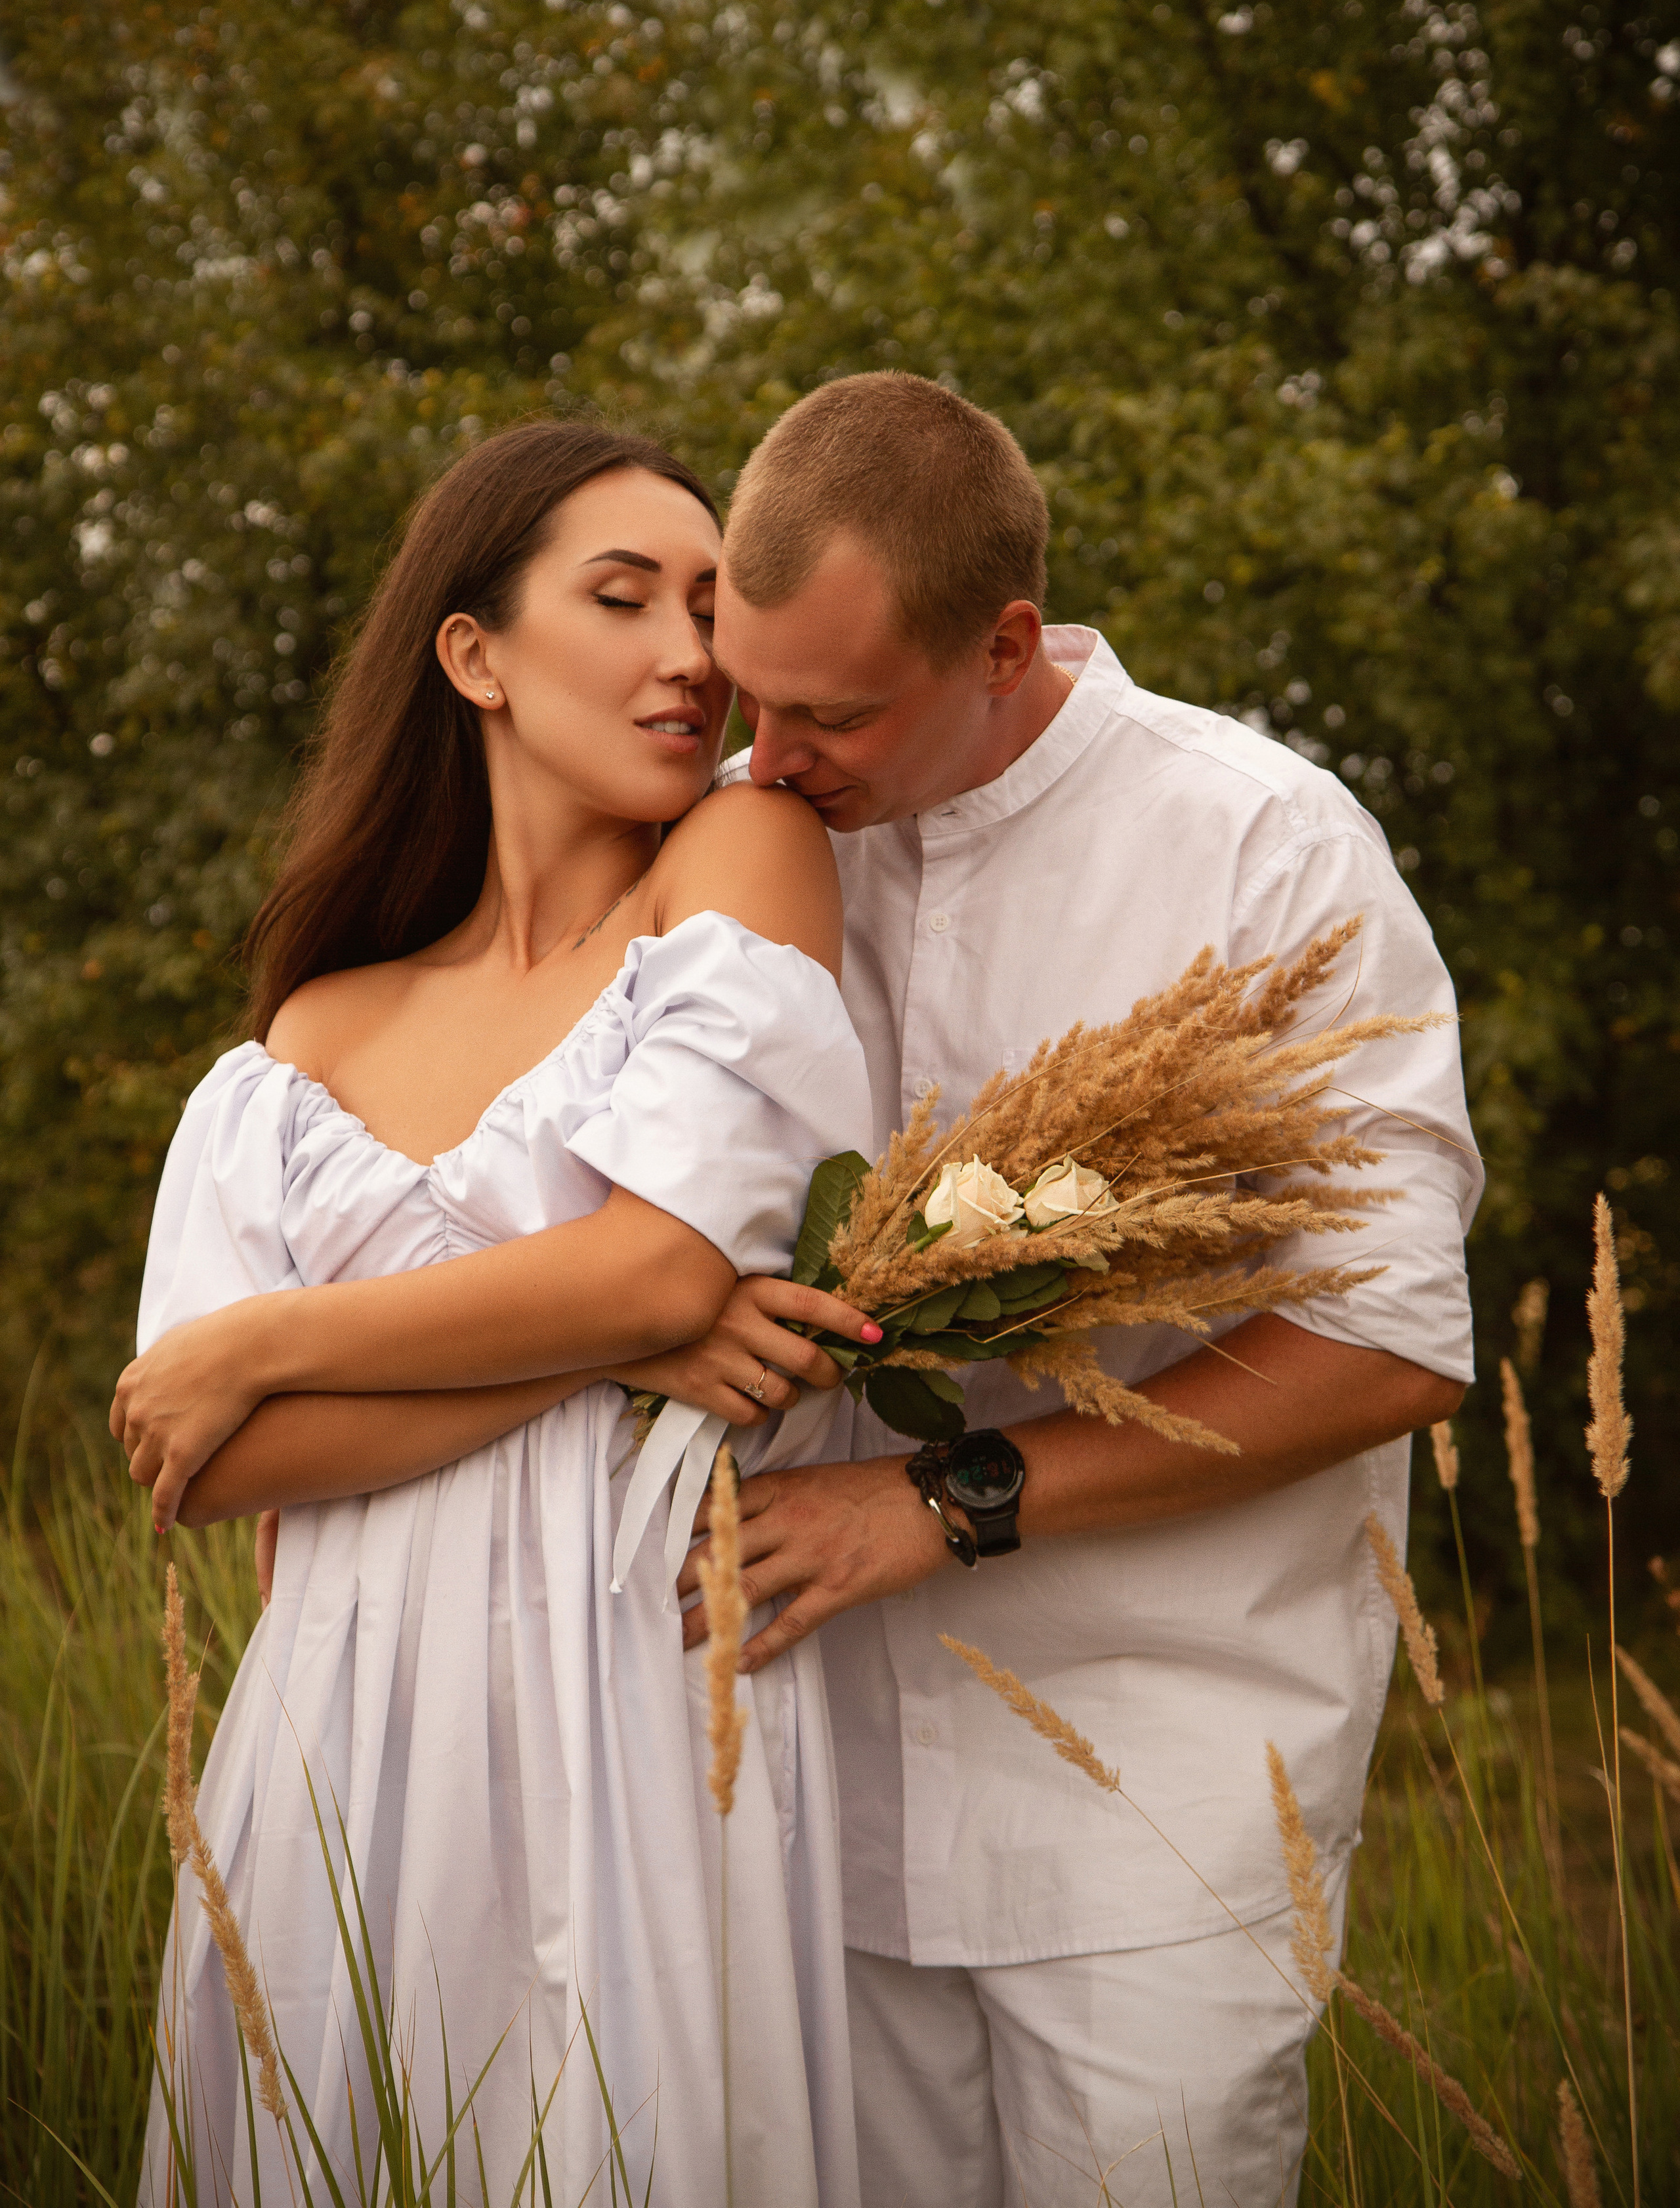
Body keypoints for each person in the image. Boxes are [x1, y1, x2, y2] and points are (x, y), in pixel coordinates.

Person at [127, 375, 1482, 2204]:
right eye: (737, 676)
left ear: (1003, 648)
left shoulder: (1257, 850)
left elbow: (1388, 1338)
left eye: (824, 710)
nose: (754, 737)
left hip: (1131, 1800)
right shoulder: (746, 834)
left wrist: (943, 1495)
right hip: (778, 1796)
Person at [111, 417, 880, 2208]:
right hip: (345, 1715)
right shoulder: (313, 1035)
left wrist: (269, 1340)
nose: (693, 653)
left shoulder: (743, 863)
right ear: (474, 654)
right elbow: (215, 1470)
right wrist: (608, 1341)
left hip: (640, 1686)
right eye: (625, 598)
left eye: (712, 604)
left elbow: (661, 1263)